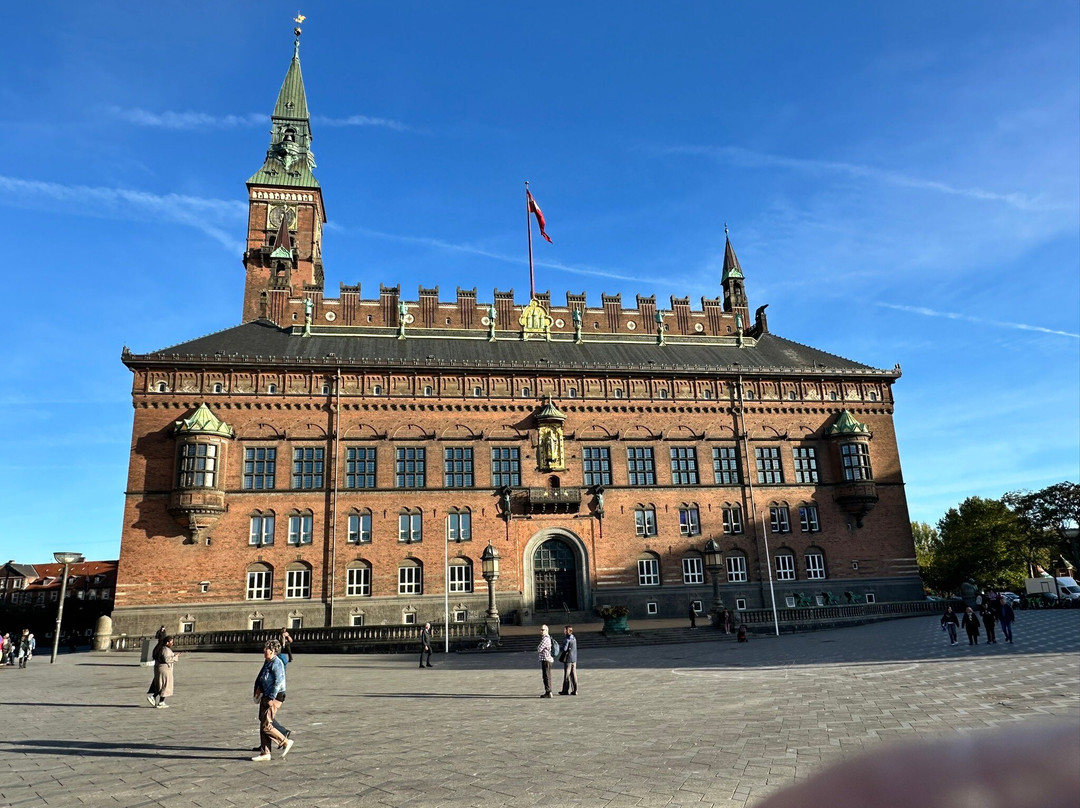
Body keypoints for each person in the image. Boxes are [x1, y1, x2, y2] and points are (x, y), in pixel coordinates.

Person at [252, 639, 294, 761]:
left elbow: (278, 682)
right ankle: (265, 753)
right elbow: (262, 677)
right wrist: (259, 688)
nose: (264, 651)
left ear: (273, 651)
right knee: (262, 723)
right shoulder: (268, 662)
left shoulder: (277, 663)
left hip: (275, 697)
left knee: (266, 725)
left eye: (267, 649)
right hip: (266, 695)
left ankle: (285, 741)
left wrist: (271, 698)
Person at [150, 636, 180, 707]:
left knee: (161, 685)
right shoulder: (165, 649)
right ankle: (160, 701)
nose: (172, 643)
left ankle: (156, 698)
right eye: (171, 642)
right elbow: (167, 659)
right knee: (166, 685)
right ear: (167, 642)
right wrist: (175, 657)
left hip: (161, 668)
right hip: (165, 669)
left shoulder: (163, 649)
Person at [558, 626, 578, 696]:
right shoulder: (574, 638)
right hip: (574, 659)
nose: (564, 631)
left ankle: (565, 690)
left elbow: (565, 649)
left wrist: (559, 647)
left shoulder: (567, 639)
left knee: (567, 675)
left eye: (565, 630)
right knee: (574, 675)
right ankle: (575, 690)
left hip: (568, 659)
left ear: (567, 631)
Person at [537, 624, 554, 698]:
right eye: (541, 629)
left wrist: (539, 648)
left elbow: (539, 648)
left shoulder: (545, 639)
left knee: (546, 676)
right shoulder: (546, 638)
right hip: (547, 659)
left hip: (546, 659)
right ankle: (548, 691)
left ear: (546, 630)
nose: (541, 631)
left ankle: (548, 691)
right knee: (547, 675)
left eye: (543, 630)